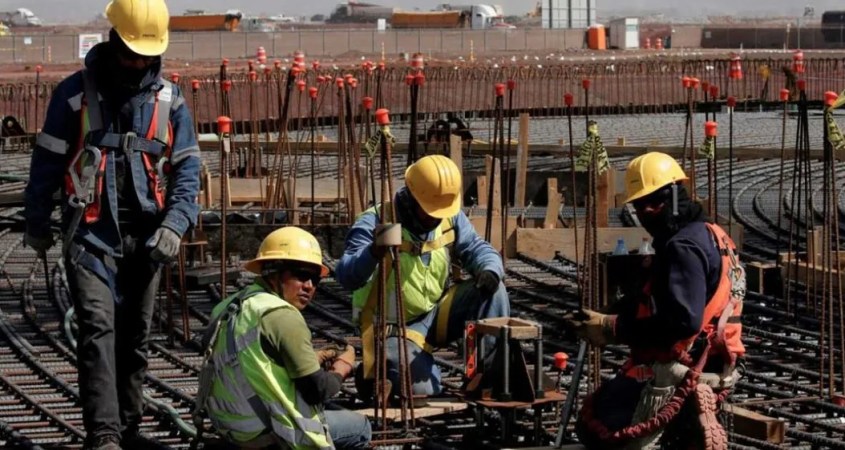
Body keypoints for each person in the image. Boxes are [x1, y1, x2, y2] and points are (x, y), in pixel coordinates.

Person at [23, 1, 200, 449]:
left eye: (147, 55)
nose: (138, 63)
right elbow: (46, 163)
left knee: (135, 336)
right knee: (98, 330)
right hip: (90, 234)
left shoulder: (170, 99)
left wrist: (176, 224)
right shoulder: (74, 95)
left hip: (147, 238)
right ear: (114, 40)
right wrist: (37, 220)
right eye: (131, 53)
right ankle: (104, 436)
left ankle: (128, 426)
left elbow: (187, 171)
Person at [564, 152, 745, 449]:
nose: (646, 211)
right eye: (639, 206)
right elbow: (666, 297)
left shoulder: (682, 246)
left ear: (675, 195)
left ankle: (682, 417)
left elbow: (683, 322)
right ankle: (685, 418)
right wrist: (611, 313)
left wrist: (614, 329)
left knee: (593, 425)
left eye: (655, 202)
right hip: (719, 359)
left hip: (684, 365)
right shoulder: (711, 234)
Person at [335, 154, 509, 400]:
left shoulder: (448, 215)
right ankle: (378, 371)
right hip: (394, 327)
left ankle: (487, 377)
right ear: (411, 198)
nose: (436, 218)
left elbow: (476, 247)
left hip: (436, 313)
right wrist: (373, 252)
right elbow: (346, 276)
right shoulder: (376, 221)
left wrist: (490, 268)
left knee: (494, 290)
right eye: (430, 212)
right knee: (423, 391)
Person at [196, 227, 371, 449]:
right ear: (273, 272)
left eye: (315, 279)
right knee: (360, 428)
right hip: (271, 431)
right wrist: (343, 367)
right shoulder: (283, 315)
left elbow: (251, 361)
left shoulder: (227, 307)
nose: (309, 286)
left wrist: (310, 357)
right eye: (301, 275)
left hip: (234, 427)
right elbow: (318, 390)